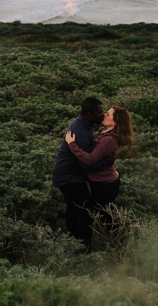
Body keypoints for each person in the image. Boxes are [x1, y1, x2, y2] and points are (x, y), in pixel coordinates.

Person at [51, 97, 110, 252]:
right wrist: (108, 162)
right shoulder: (81, 132)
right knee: (85, 210)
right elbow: (86, 164)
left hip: (66, 175)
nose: (102, 115)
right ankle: (84, 248)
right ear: (89, 114)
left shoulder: (83, 125)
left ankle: (73, 243)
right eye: (99, 113)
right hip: (69, 177)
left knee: (74, 208)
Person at [65, 106, 133, 212]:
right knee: (100, 212)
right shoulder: (105, 132)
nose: (104, 115)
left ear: (115, 122)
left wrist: (72, 144)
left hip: (104, 184)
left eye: (108, 114)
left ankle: (116, 229)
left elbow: (90, 160)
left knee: (105, 215)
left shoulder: (109, 139)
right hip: (100, 182)